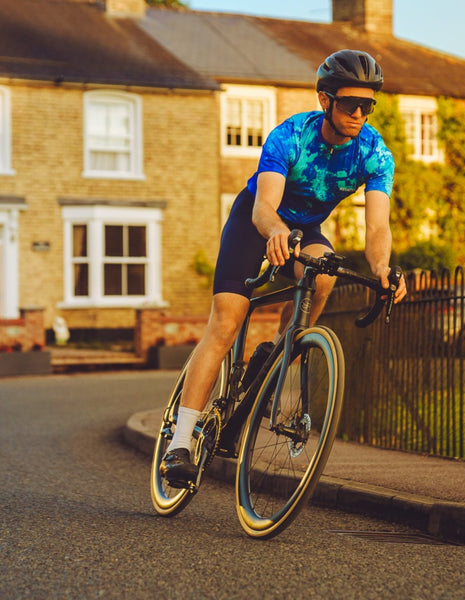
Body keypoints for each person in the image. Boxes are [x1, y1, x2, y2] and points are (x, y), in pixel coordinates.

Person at [160, 49, 407, 487]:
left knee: (326, 272)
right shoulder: (289, 136)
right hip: (256, 220)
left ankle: (280, 351)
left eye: (367, 105)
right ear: (324, 100)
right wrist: (275, 230)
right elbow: (264, 207)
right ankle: (180, 442)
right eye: (350, 103)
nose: (359, 113)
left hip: (305, 227)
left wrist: (384, 266)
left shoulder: (374, 153)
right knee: (227, 321)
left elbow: (377, 227)